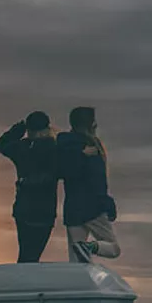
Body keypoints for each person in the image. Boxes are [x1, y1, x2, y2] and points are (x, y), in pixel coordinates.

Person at [57, 106, 120, 263]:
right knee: (113, 248)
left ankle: (78, 281)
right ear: (90, 124)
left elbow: (62, 172)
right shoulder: (91, 148)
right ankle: (90, 247)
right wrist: (108, 204)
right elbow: (97, 181)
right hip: (93, 207)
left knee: (76, 260)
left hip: (73, 209)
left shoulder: (64, 146)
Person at [0, 111, 59, 263]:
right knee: (33, 255)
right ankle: (24, 283)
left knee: (25, 254)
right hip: (45, 210)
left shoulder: (22, 148)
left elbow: (1, 144)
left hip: (24, 208)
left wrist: (18, 129)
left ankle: (20, 282)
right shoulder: (55, 148)